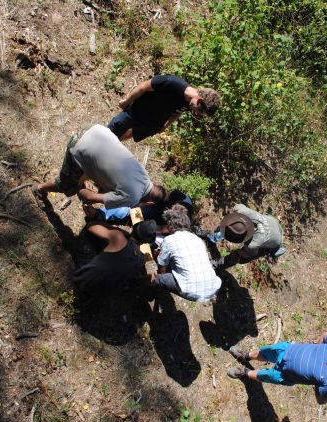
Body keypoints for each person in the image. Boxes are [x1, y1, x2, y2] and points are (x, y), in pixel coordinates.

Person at [36, 124, 167, 209]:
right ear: (150, 203)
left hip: (95, 130)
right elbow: (88, 197)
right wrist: (80, 189)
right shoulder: (132, 198)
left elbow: (112, 178)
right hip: (80, 145)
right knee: (68, 188)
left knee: (82, 178)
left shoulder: (144, 174)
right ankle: (39, 190)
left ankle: (80, 178)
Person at [227, 333, 327, 404]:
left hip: (285, 375)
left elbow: (321, 400)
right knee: (265, 352)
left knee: (264, 375)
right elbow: (326, 335)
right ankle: (245, 356)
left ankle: (245, 373)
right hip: (287, 350)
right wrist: (316, 344)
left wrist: (317, 384)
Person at [108, 74, 220, 142]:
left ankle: (113, 144)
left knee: (131, 134)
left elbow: (177, 112)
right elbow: (143, 87)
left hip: (153, 123)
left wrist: (166, 125)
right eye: (199, 111)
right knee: (111, 130)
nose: (196, 113)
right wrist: (127, 101)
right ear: (200, 99)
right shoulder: (170, 82)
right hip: (137, 111)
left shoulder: (189, 103)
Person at [153, 205, 221, 302]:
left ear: (170, 226)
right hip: (212, 287)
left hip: (191, 290)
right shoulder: (197, 239)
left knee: (157, 278)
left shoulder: (169, 240)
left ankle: (149, 287)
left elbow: (162, 264)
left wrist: (161, 276)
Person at [73, 219, 157, 296]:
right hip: (97, 293)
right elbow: (149, 277)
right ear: (146, 242)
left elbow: (91, 226)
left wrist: (117, 230)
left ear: (134, 229)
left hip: (80, 279)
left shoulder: (118, 237)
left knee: (88, 231)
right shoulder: (140, 259)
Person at [207, 203, 286, 269]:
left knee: (241, 258)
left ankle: (217, 264)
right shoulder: (241, 210)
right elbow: (236, 207)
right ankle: (213, 237)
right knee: (228, 225)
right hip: (273, 221)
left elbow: (249, 254)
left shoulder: (253, 244)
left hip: (276, 240)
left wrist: (237, 251)